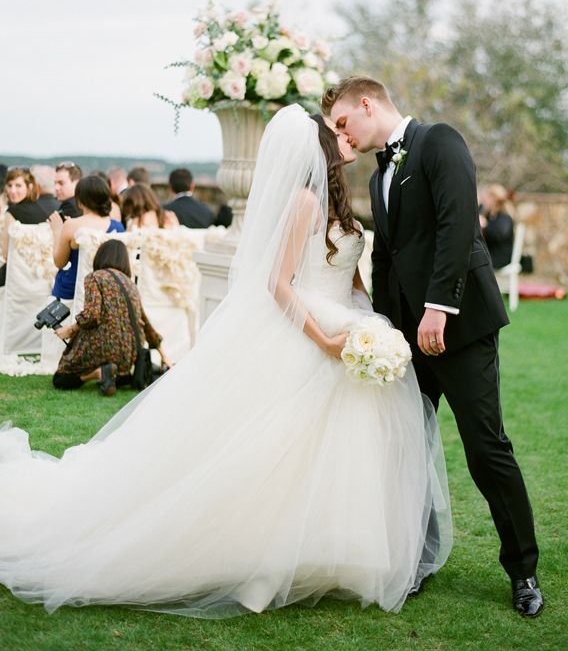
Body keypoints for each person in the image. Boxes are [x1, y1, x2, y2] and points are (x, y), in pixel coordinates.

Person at [0, 105, 451, 619]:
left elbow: (349, 276)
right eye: (337, 132)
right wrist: (325, 340)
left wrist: (369, 326)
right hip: (307, 328)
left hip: (346, 322)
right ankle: (265, 557)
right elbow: (278, 285)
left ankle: (327, 549)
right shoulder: (303, 201)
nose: (346, 136)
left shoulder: (340, 201)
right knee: (278, 447)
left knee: (342, 442)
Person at [323, 77, 543, 618]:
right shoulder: (378, 179)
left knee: (485, 449)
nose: (341, 138)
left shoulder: (440, 141)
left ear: (367, 104)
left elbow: (458, 224)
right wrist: (380, 325)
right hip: (406, 341)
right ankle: (415, 562)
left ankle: (523, 571)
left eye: (344, 123)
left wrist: (439, 308)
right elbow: (387, 258)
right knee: (407, 449)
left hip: (461, 330)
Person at [52, 240, 170, 395]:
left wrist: (70, 329)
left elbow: (92, 315)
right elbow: (145, 323)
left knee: (60, 379)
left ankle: (97, 373)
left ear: (100, 256)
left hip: (102, 344)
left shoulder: (95, 277)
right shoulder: (130, 284)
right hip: (129, 352)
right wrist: (164, 356)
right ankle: (116, 374)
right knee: (120, 374)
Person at [49, 176, 125, 303]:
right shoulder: (118, 227)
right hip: (105, 291)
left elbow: (59, 262)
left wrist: (58, 231)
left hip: (72, 292)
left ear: (80, 200)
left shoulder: (71, 226)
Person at [0, 167, 48, 287]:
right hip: (40, 276)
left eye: (18, 185)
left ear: (29, 187)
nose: (13, 190)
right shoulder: (41, 210)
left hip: (17, 275)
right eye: (10, 185)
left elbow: (6, 254)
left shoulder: (11, 213)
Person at [479, 184, 515, 270]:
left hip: (500, 256)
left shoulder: (505, 217)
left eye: (487, 198)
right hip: (489, 252)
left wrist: (485, 225)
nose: (484, 200)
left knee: (475, 261)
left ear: (494, 199)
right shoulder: (488, 214)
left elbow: (498, 235)